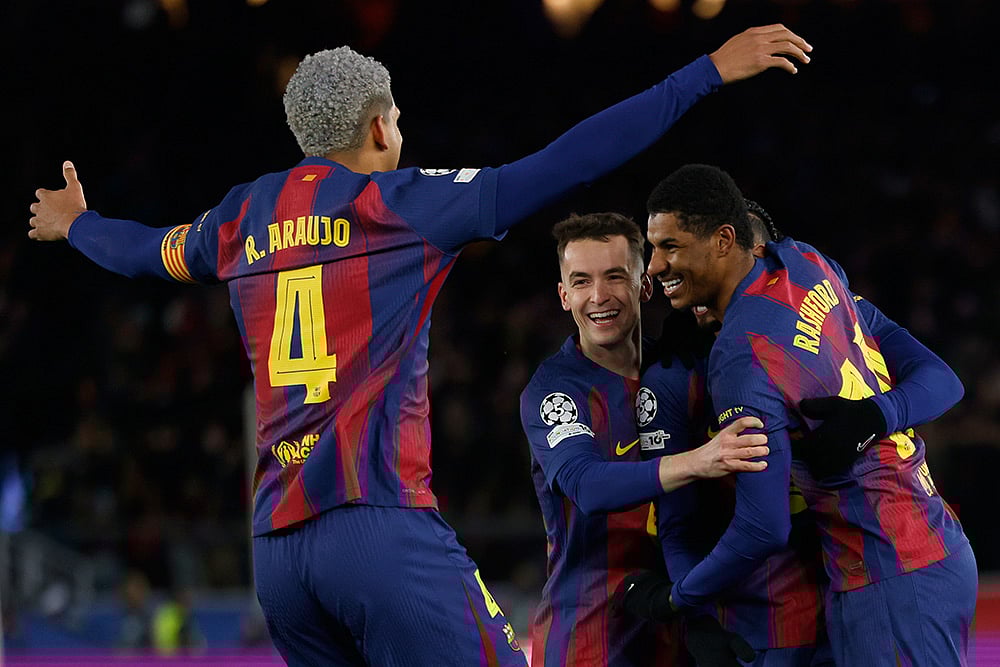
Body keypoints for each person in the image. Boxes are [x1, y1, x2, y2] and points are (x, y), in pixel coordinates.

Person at [27, 29, 812, 666]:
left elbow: (143, 250)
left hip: (277, 553)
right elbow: (571, 160)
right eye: (397, 121)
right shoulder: (399, 204)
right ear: (379, 126)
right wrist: (705, 73)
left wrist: (76, 224)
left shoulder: (240, 216)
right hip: (377, 525)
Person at [631, 164, 975, 666]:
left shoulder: (740, 355)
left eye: (670, 247)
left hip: (886, 569)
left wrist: (676, 599)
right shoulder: (808, 263)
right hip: (922, 545)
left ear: (725, 240)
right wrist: (878, 415)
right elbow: (940, 377)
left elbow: (763, 526)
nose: (654, 266)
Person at [519, 212, 770, 666]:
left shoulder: (681, 370)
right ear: (564, 296)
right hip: (591, 639)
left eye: (615, 277)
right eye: (581, 282)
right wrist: (701, 460)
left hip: (682, 628)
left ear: (645, 286)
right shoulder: (556, 392)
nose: (599, 296)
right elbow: (587, 486)